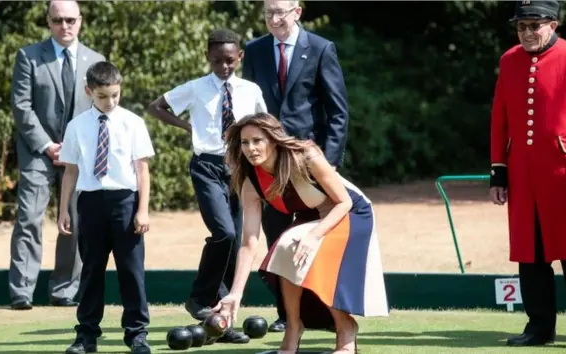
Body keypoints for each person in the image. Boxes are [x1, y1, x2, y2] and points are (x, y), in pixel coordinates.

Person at [213, 112, 388, 353]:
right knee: (285, 249)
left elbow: (344, 202)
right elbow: (249, 242)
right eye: (245, 142)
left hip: (351, 213)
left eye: (257, 141)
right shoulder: (250, 181)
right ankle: (293, 329)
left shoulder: (306, 155)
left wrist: (314, 236)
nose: (251, 148)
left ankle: (346, 329)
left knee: (296, 247)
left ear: (273, 140)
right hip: (311, 217)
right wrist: (235, 294)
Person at [490, 1, 566, 351]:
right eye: (521, 26)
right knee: (530, 257)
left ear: (553, 25)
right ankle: (539, 327)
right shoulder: (509, 61)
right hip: (523, 175)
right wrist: (499, 172)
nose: (526, 33)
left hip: (565, 174)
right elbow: (500, 118)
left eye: (534, 26)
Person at [147, 28, 267, 344]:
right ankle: (199, 298)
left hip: (240, 169)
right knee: (223, 233)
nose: (223, 67)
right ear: (207, 58)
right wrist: (188, 126)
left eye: (229, 60)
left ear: (239, 57)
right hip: (206, 166)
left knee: (237, 242)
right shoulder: (197, 88)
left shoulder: (250, 90)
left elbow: (263, 126)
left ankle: (221, 320)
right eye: (217, 61)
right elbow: (156, 106)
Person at [241, 0, 350, 332]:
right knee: (277, 240)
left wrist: (327, 165)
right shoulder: (255, 50)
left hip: (309, 167)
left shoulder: (320, 48)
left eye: (281, 13)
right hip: (269, 166)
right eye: (268, 13)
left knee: (311, 240)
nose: (274, 19)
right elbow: (250, 110)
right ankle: (286, 316)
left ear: (297, 12)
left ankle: (328, 316)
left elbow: (337, 112)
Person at [9, 0, 105, 310]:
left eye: (70, 20)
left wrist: (76, 147)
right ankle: (21, 292)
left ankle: (63, 290)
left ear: (80, 21)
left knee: (76, 221)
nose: (65, 26)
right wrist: (48, 145)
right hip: (38, 151)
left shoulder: (96, 61)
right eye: (58, 20)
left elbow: (100, 109)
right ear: (49, 22)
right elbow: (21, 107)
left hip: (79, 154)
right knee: (29, 217)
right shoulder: (29, 57)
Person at [57, 61, 154, 354]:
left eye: (115, 95)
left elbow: (142, 170)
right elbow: (71, 171)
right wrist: (63, 210)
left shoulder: (133, 122)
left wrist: (143, 210)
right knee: (91, 270)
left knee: (131, 271)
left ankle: (137, 334)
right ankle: (86, 335)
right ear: (89, 92)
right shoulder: (76, 126)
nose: (110, 101)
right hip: (90, 204)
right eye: (102, 96)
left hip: (125, 202)